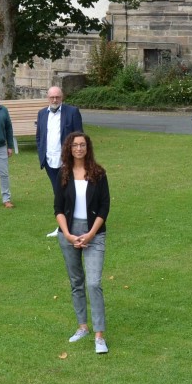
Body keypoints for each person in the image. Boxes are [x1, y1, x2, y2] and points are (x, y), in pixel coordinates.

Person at [55, 132, 111, 354]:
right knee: (76, 281)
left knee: (93, 283)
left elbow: (105, 207)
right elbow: (58, 208)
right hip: (69, 232)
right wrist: (68, 234)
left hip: (94, 233)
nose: (79, 148)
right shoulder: (63, 174)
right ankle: (82, 326)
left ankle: (99, 335)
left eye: (83, 145)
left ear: (88, 148)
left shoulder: (98, 173)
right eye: (75, 145)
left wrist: (90, 234)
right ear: (69, 148)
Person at [36, 86, 84, 237]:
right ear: (48, 98)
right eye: (52, 97)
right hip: (49, 162)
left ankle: (74, 225)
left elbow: (80, 138)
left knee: (72, 193)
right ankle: (63, 226)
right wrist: (41, 153)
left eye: (57, 97)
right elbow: (39, 136)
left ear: (62, 97)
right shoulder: (42, 113)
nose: (55, 100)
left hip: (67, 162)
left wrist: (75, 159)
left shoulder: (72, 112)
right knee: (59, 194)